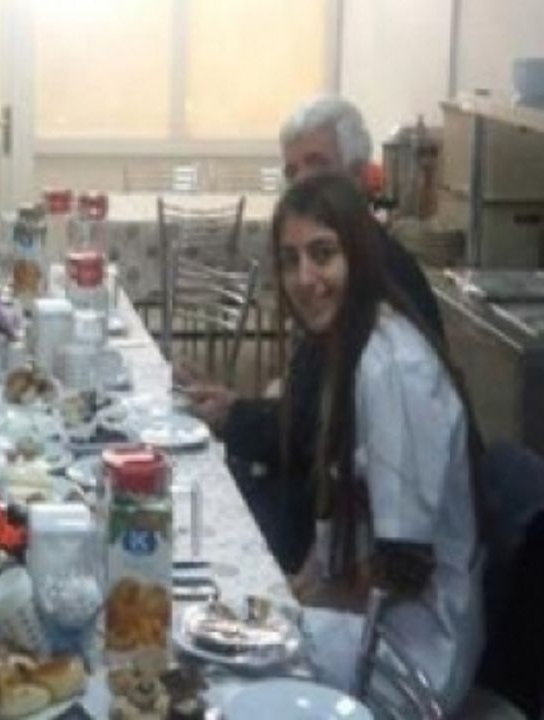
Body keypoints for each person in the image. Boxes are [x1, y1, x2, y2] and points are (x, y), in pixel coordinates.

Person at [181, 96, 445, 571]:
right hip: (329, 537)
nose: (302, 182)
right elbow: (312, 415)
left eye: (317, 165)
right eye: (292, 171)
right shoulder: (347, 295)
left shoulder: (392, 358)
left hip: (391, 600)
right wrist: (236, 408)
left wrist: (293, 597)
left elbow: (401, 564)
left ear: (360, 176)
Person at [272, 173, 484, 712]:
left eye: (323, 254)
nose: (305, 278)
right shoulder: (353, 346)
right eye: (290, 260)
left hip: (410, 661)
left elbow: (401, 569)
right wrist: (290, 596)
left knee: (237, 675)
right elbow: (338, 533)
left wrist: (294, 617)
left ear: (359, 256)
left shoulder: (392, 369)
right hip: (369, 628)